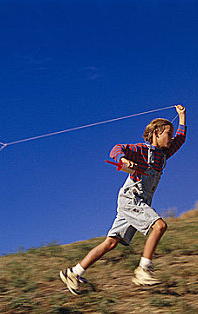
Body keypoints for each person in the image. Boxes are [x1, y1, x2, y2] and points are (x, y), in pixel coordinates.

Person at [59, 105, 187, 295]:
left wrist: (182, 116)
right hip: (131, 199)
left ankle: (74, 273)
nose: (171, 137)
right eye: (168, 133)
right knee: (159, 226)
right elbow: (117, 148)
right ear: (156, 133)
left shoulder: (164, 154)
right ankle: (143, 270)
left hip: (138, 202)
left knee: (111, 243)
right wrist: (123, 160)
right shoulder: (142, 150)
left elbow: (181, 139)